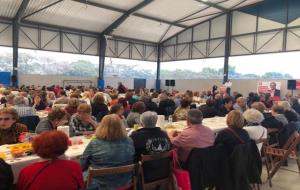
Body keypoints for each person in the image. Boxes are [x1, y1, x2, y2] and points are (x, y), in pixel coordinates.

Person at [80, 114, 135, 189]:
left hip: (99, 185)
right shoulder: (129, 141)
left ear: (102, 126)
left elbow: (82, 165)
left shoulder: (95, 143)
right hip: (125, 183)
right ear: (121, 127)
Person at [17, 131, 84, 190]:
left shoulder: (26, 171)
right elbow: (80, 186)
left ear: (36, 148)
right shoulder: (74, 166)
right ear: (64, 147)